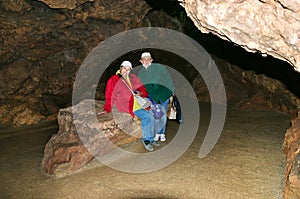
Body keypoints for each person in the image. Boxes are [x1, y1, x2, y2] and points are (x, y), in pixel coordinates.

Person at [103, 60, 159, 151]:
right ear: (120, 68)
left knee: (152, 114)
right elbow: (109, 95)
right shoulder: (113, 80)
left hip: (139, 103)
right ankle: (146, 140)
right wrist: (108, 107)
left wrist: (141, 93)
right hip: (127, 105)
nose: (126, 71)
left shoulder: (133, 77)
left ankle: (151, 138)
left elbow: (143, 88)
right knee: (146, 116)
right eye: (124, 68)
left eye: (128, 69)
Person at [138, 52, 175, 142]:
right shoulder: (141, 73)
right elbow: (145, 86)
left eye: (148, 59)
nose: (146, 61)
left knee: (162, 114)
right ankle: (157, 132)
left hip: (164, 93)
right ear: (141, 61)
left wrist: (172, 89)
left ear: (151, 60)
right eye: (144, 59)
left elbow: (168, 78)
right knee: (156, 114)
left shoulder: (159, 67)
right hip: (153, 95)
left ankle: (161, 133)